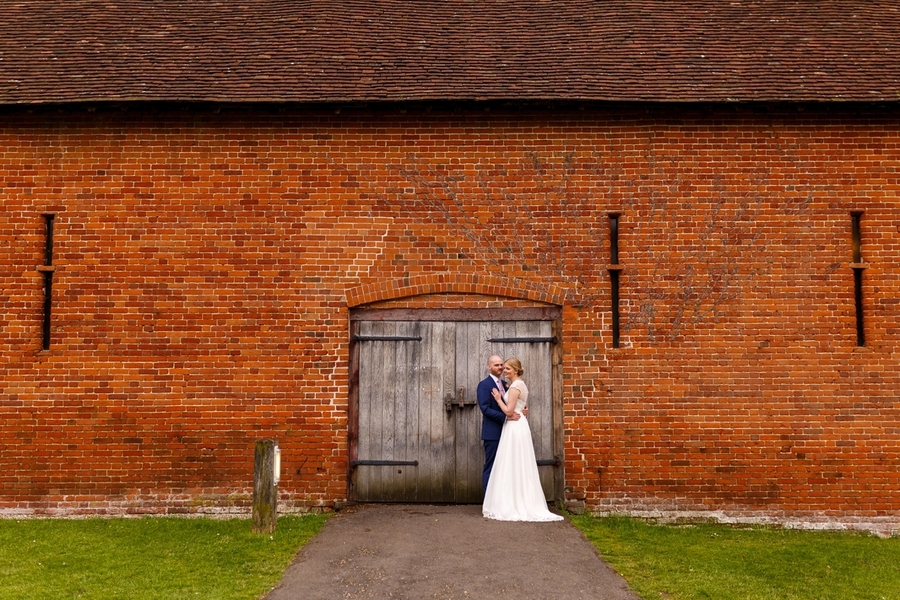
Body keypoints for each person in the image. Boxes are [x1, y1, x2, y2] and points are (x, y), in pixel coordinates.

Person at [482, 358, 563, 522]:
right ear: (489, 366)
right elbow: (488, 408)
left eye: (507, 368)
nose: (504, 370)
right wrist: (520, 408)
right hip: (515, 427)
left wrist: (499, 399)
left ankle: (512, 503)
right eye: (502, 367)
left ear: (517, 370)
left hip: (514, 428)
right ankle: (508, 499)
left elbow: (509, 410)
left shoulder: (513, 386)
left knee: (513, 463)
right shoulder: (510, 385)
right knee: (513, 464)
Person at [476, 354, 523, 495]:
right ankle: (488, 500)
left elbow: (513, 403)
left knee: (507, 467)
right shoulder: (484, 385)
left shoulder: (506, 384)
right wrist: (506, 417)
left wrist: (522, 409)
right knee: (491, 466)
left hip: (509, 432)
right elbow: (485, 408)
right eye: (496, 365)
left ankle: (503, 499)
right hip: (493, 433)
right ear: (489, 366)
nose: (500, 367)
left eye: (501, 364)